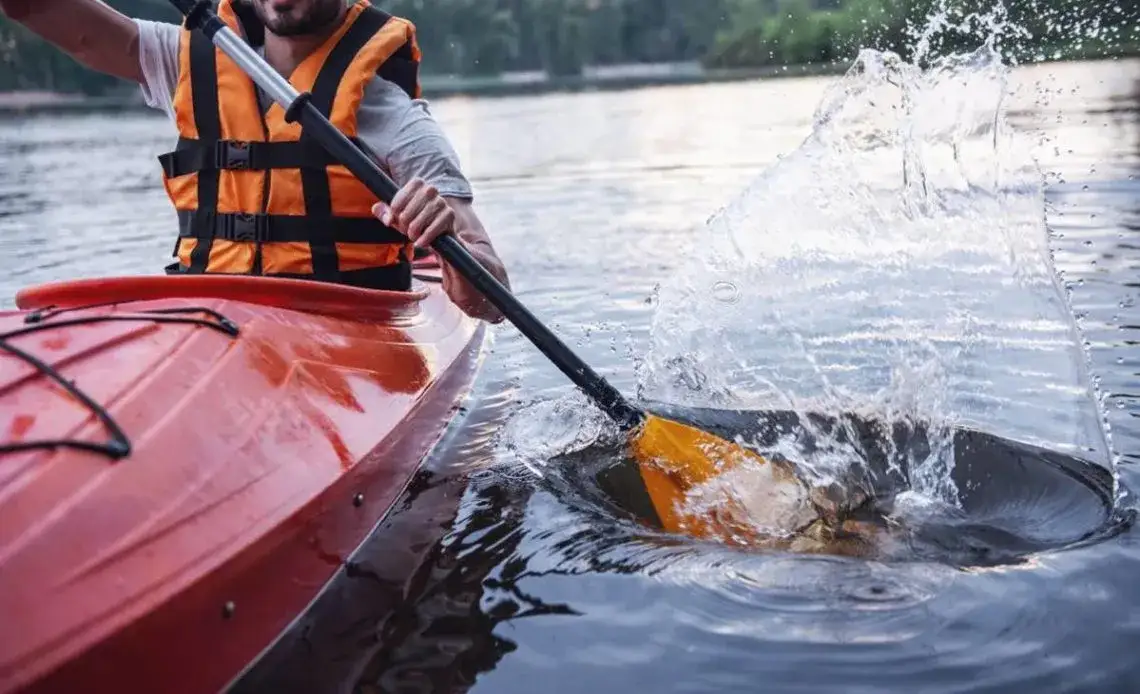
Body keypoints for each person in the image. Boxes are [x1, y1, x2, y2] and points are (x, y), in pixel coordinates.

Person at [0, 0, 509, 323]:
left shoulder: (397, 120)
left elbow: (490, 299)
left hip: (342, 326)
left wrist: (446, 240)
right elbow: (33, 9)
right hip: (206, 317)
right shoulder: (187, 59)